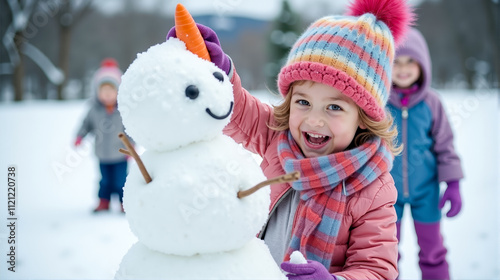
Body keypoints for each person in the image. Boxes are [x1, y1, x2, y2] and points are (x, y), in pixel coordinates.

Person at [167, 0, 413, 278]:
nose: (313, 120)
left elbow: (377, 269)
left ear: (363, 118)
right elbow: (238, 112)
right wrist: (217, 73)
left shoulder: (372, 188)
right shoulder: (280, 140)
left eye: (334, 107)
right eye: (303, 102)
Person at [387, 28, 464, 280]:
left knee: (433, 251)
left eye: (411, 61)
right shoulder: (379, 103)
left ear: (423, 64)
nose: (403, 68)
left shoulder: (432, 103)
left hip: (426, 193)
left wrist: (452, 184)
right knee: (385, 254)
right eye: (396, 61)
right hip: (387, 196)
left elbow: (446, 146)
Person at [75, 58, 129, 213]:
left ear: (118, 92)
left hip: (121, 154)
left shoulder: (123, 111)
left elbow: (130, 130)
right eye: (103, 92)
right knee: (104, 181)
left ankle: (123, 203)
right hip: (102, 154)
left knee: (121, 181)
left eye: (110, 92)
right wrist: (80, 137)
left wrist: (131, 146)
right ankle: (103, 202)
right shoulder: (94, 110)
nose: (106, 95)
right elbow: (86, 125)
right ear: (97, 93)